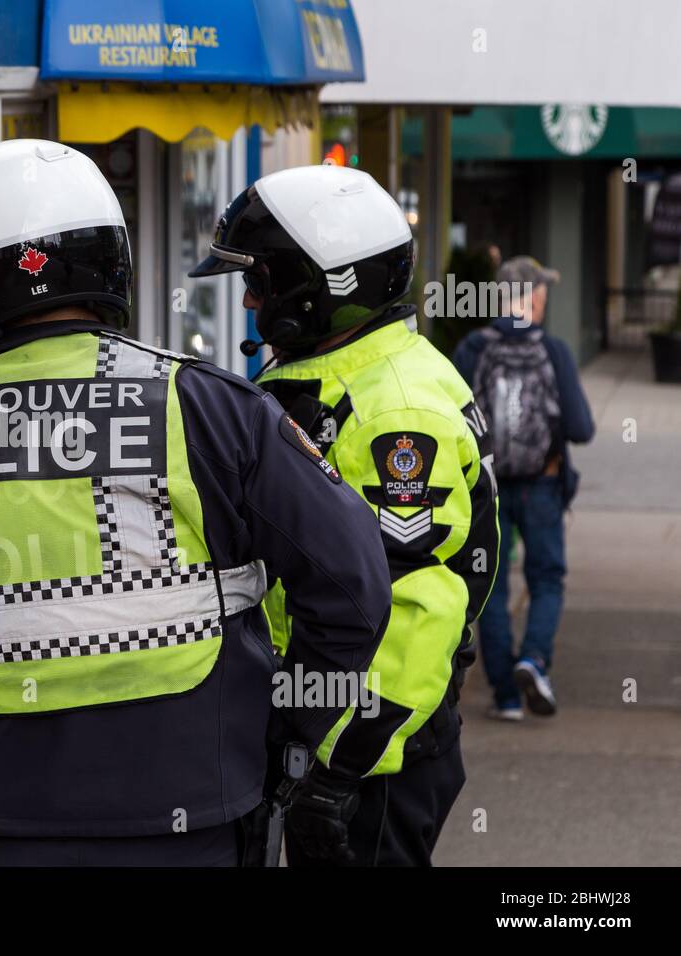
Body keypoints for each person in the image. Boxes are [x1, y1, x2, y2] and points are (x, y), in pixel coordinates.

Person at [0, 139, 394, 867]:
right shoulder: (209, 410)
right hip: (191, 811)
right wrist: (287, 734)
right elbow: (353, 587)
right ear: (112, 263)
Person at [190, 164, 500, 866]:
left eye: (260, 280)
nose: (247, 297)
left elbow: (411, 610)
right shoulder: (334, 373)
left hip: (367, 757)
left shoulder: (394, 409)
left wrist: (336, 769)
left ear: (321, 288)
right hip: (325, 729)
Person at [452, 256, 595, 720]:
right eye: (543, 292)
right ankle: (534, 661)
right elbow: (581, 427)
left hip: (485, 489)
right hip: (542, 486)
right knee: (546, 578)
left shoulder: (472, 349)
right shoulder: (553, 351)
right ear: (532, 298)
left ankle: (506, 695)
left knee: (490, 587)